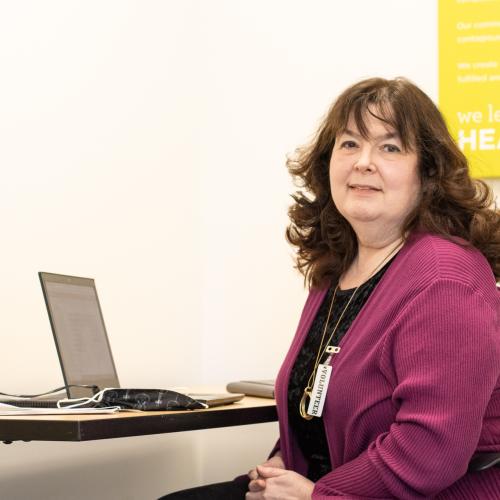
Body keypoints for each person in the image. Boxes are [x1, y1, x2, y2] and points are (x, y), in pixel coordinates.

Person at [160, 77, 500, 499]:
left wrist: (314, 495)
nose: (364, 162)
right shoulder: (335, 274)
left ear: (427, 174)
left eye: (390, 148)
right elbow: (316, 402)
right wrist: (284, 460)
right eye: (350, 144)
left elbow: (431, 451)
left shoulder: (446, 276)